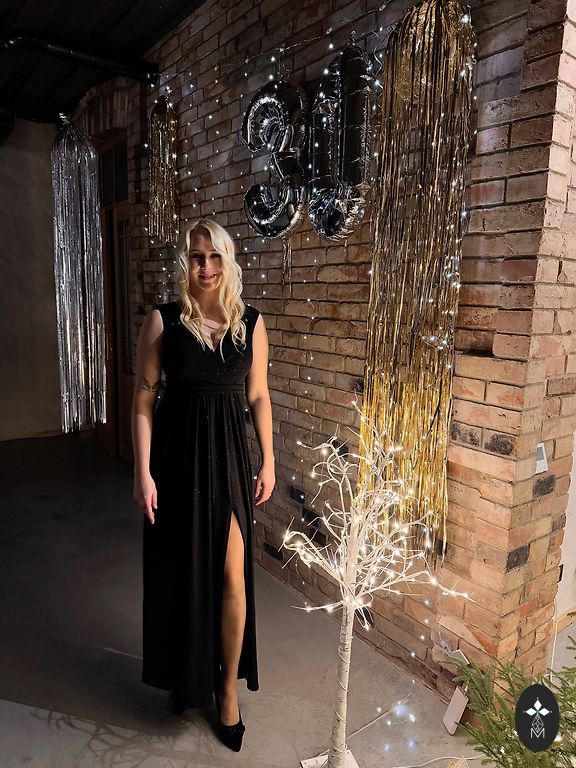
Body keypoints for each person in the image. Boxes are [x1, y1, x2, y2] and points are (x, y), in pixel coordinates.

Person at [131, 218, 275, 751]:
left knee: (233, 577)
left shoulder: (251, 323)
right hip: (177, 463)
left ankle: (226, 689)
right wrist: (142, 471)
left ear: (227, 261)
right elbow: (144, 400)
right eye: (197, 257)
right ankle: (186, 675)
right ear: (185, 263)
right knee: (183, 575)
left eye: (214, 257)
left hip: (231, 463)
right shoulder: (163, 322)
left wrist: (269, 459)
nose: (206, 267)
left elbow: (258, 396)